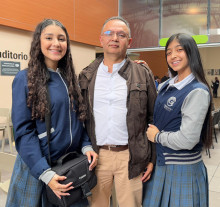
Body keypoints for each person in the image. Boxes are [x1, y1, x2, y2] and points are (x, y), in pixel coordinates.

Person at [6, 19, 98, 207]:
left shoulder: (69, 79)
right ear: (38, 43)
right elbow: (23, 132)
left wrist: (86, 146)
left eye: (61, 39)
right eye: (49, 37)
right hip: (40, 169)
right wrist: (45, 174)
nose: (56, 43)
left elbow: (77, 121)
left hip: (68, 167)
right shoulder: (24, 79)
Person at [79, 16, 157, 207]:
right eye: (109, 33)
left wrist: (152, 158)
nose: (114, 38)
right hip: (97, 158)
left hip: (131, 157)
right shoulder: (86, 75)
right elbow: (80, 118)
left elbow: (153, 118)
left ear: (129, 42)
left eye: (121, 35)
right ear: (101, 39)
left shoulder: (143, 73)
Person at [142, 33, 212, 207]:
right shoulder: (166, 85)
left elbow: (188, 139)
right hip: (160, 164)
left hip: (183, 169)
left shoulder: (197, 91)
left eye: (179, 50)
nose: (173, 56)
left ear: (191, 53)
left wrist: (157, 137)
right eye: (168, 52)